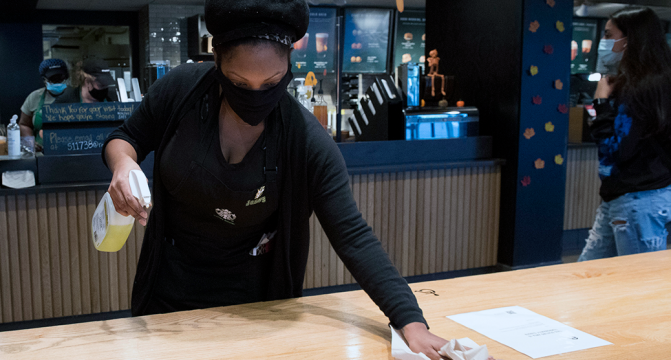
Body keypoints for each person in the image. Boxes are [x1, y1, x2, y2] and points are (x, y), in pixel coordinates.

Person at [102, 1, 457, 358]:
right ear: (218, 61)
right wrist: (122, 164)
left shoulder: (305, 138)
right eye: (239, 83)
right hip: (167, 287)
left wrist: (411, 322)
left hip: (256, 307)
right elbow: (126, 137)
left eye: (271, 83)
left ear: (290, 65)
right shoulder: (182, 91)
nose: (255, 96)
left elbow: (353, 236)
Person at [578, 6, 671, 261]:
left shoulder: (636, 91)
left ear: (628, 42)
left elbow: (613, 150)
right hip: (628, 197)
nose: (603, 43)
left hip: (636, 201)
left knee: (638, 286)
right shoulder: (658, 83)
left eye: (608, 36)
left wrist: (600, 103)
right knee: (588, 277)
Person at [18, 59, 81, 149]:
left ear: (67, 77)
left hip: (74, 149)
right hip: (42, 152)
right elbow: (24, 124)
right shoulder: (35, 97)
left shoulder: (78, 95)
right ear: (44, 79)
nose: (57, 82)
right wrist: (30, 142)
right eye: (53, 79)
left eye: (60, 78)